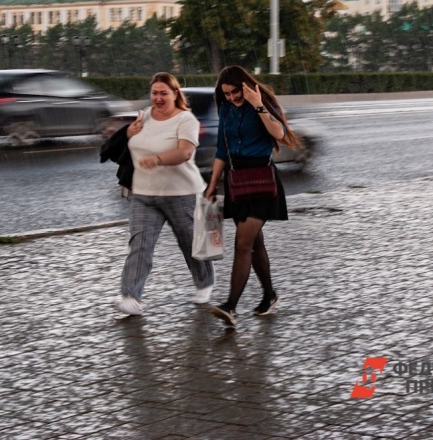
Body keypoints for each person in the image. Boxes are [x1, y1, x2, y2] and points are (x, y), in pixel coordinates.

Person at [205, 65, 301, 328]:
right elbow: (222, 150)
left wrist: (258, 104)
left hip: (261, 180)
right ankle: (269, 296)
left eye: (236, 92)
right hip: (236, 181)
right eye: (226, 93)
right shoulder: (225, 109)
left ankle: (231, 307)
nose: (232, 97)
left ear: (245, 86)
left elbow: (279, 134)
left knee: (242, 243)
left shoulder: (261, 102)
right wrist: (213, 184)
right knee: (255, 243)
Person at [114, 72, 215, 316]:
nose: (158, 98)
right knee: (140, 243)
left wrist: (157, 159)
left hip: (182, 192)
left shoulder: (186, 120)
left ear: (175, 94)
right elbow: (129, 145)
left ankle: (205, 281)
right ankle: (131, 296)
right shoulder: (144, 116)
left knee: (191, 242)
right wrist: (128, 134)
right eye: (154, 93)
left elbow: (185, 153)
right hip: (144, 193)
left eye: (163, 93)